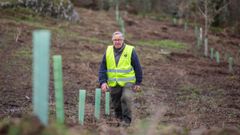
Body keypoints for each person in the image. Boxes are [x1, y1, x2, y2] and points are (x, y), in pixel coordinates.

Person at [98, 31, 143, 127]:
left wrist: (138, 82)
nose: (117, 42)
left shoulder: (130, 50)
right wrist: (102, 82)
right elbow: (102, 67)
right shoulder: (108, 50)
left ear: (123, 40)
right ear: (112, 41)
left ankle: (126, 122)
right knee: (116, 103)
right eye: (115, 40)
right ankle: (119, 120)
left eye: (119, 40)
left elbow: (137, 67)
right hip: (114, 82)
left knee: (126, 98)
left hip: (128, 82)